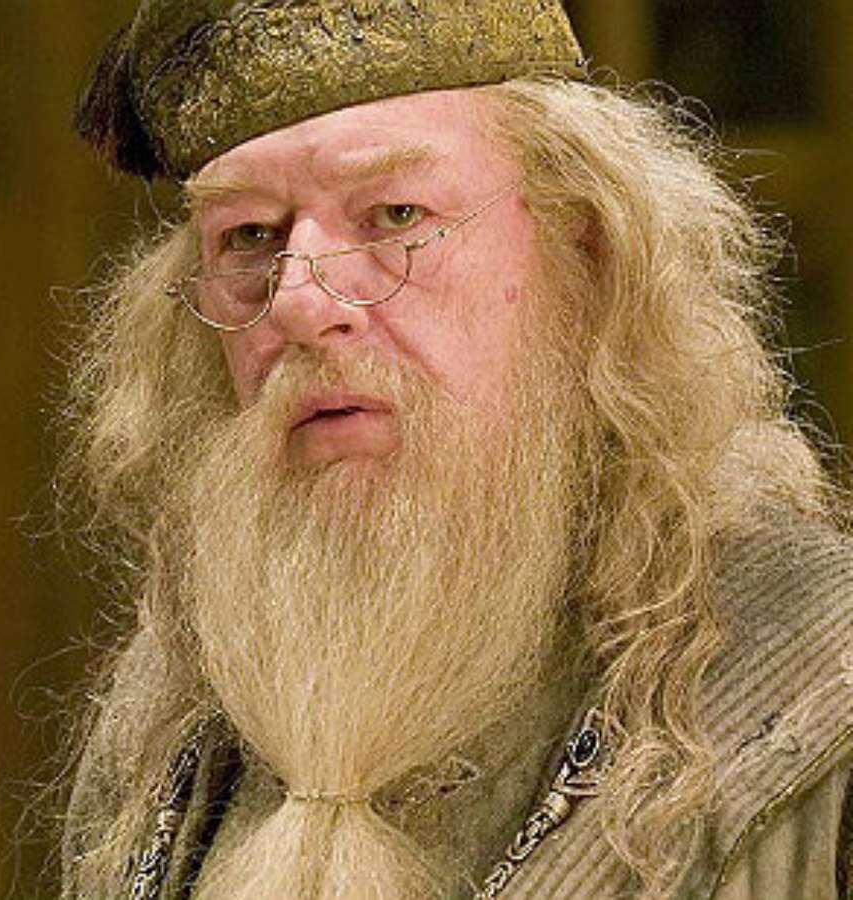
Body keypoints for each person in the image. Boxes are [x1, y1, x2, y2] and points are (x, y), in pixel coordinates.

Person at [51, 1, 853, 897]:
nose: (301, 304)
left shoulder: (826, 687)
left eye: (396, 214)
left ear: (585, 254)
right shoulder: (168, 717)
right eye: (249, 236)